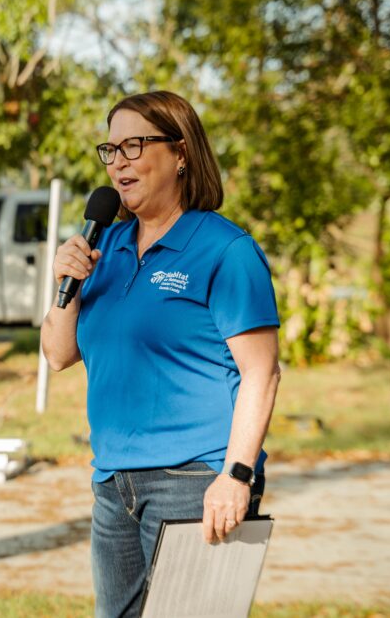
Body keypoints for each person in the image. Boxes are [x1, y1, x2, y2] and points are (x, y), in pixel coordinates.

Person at [40, 91, 282, 618]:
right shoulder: (106, 246)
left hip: (197, 481)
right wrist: (66, 283)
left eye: (134, 144)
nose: (119, 160)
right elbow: (58, 355)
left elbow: (261, 373)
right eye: (110, 149)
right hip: (113, 481)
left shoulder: (225, 250)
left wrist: (236, 476)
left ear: (180, 154)